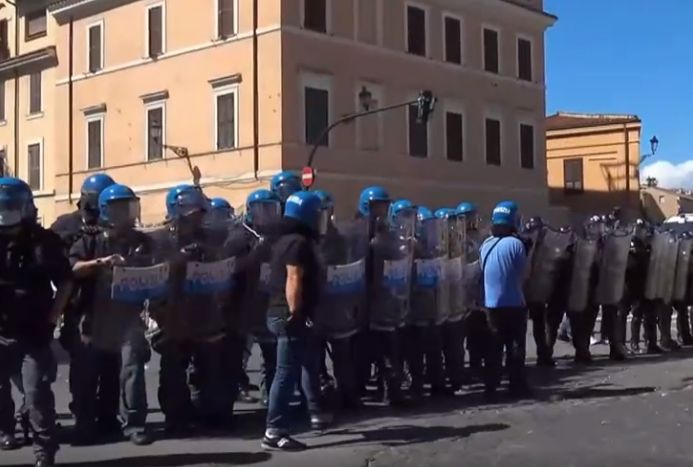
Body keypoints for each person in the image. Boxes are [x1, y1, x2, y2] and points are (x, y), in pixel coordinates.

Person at [70, 184, 153, 446]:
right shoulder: (90, 240)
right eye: (120, 208)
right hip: (94, 316)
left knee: (132, 370)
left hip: (128, 316)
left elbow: (159, 268)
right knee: (87, 374)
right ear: (106, 210)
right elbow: (72, 268)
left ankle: (135, 424)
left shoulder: (141, 242)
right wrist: (100, 263)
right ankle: (85, 423)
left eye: (130, 207)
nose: (127, 213)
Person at [0, 177, 74, 467]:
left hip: (33, 331)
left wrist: (52, 318)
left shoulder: (44, 242)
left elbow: (66, 282)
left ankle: (44, 453)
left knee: (37, 394)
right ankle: (6, 431)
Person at [149, 185, 227, 433]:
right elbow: (152, 273)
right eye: (194, 214)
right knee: (173, 367)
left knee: (208, 366)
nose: (198, 218)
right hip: (171, 312)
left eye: (200, 214)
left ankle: (206, 410)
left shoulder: (208, 237)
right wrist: (177, 260)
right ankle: (175, 416)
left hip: (202, 311)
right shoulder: (160, 239)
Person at [56, 174, 122, 446]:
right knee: (84, 369)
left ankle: (108, 418)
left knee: (110, 366)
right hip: (80, 306)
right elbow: (62, 267)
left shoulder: (113, 224)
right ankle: (84, 419)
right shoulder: (66, 227)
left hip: (111, 306)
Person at [262, 191, 323, 451]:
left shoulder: (284, 240)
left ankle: (315, 409)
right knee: (285, 374)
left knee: (296, 366)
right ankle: (274, 431)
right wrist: (295, 312)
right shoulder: (298, 243)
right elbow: (293, 278)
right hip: (287, 315)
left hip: (278, 312)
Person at [480, 201, 530, 398]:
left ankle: (490, 387)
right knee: (515, 348)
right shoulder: (516, 245)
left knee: (494, 348)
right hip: (514, 304)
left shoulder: (485, 244)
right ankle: (516, 385)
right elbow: (524, 274)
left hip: (491, 305)